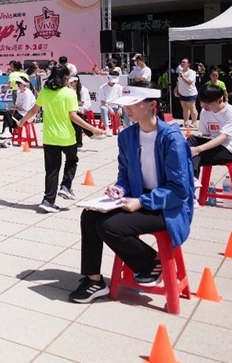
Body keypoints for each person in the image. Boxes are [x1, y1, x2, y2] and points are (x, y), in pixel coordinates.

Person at [70, 86, 194, 304]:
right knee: (89, 216)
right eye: (125, 104)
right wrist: (120, 188)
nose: (127, 109)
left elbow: (179, 190)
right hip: (138, 197)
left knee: (110, 227)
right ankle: (93, 279)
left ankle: (151, 263)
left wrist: (141, 201)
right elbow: (125, 173)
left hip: (168, 206)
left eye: (134, 103)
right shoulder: (127, 136)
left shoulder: (172, 139)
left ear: (152, 105)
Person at [15, 65, 103, 212]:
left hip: (49, 137)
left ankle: (48, 200)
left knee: (51, 170)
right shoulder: (69, 93)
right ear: (64, 78)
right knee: (72, 160)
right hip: (67, 137)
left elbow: (34, 110)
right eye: (67, 77)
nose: (69, 80)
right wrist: (92, 129)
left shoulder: (46, 92)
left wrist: (23, 121)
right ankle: (66, 186)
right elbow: (73, 116)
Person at [186, 85, 232, 179]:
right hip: (214, 144)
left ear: (219, 100)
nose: (203, 106)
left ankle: (191, 183)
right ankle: (188, 181)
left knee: (197, 155)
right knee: (191, 141)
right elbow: (205, 135)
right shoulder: (205, 112)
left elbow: (223, 138)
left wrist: (198, 149)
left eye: (207, 103)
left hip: (231, 148)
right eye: (202, 102)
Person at [1, 77, 36, 145]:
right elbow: (17, 105)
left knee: (10, 118)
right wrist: (10, 106)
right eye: (17, 83)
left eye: (19, 84)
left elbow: (25, 108)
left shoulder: (27, 93)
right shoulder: (19, 92)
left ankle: (8, 135)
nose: (17, 85)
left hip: (27, 114)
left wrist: (15, 108)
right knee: (7, 113)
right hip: (20, 111)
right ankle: (7, 131)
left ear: (23, 84)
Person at [175, 59, 199, 129]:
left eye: (184, 62)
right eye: (181, 62)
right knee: (185, 109)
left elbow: (189, 82)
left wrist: (182, 76)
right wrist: (176, 89)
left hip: (190, 93)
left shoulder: (191, 72)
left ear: (189, 64)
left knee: (192, 108)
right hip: (182, 93)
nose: (182, 63)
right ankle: (186, 121)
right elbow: (178, 82)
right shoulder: (180, 72)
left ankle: (194, 122)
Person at [70, 76, 92, 148]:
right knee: (77, 117)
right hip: (71, 108)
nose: (70, 83)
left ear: (76, 82)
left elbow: (83, 103)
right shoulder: (69, 89)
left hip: (81, 108)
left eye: (72, 82)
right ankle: (90, 132)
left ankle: (79, 142)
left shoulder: (82, 89)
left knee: (77, 116)